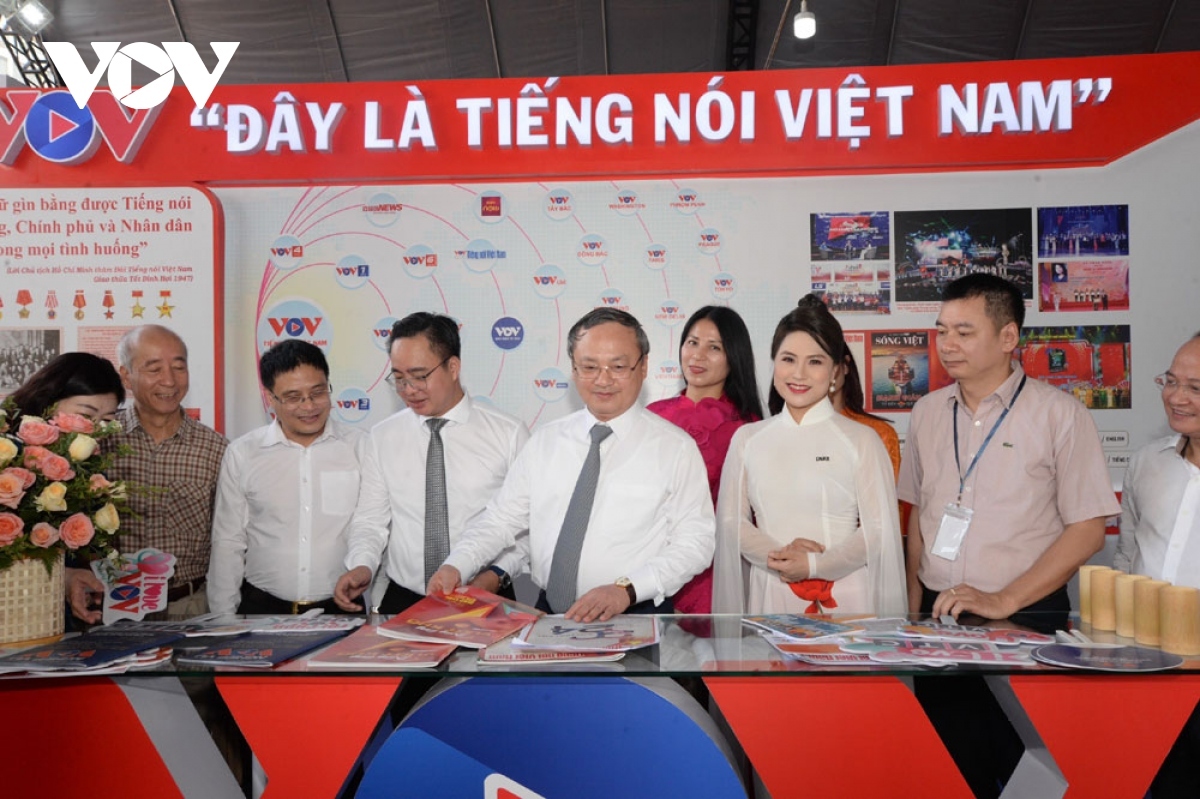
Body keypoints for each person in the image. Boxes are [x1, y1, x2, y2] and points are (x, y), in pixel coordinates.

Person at [897, 273, 1118, 798]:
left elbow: (1088, 529)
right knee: (946, 772)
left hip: (1027, 618)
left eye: (964, 332)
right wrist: (911, 609)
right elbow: (919, 518)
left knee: (1029, 774)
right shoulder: (927, 412)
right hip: (938, 618)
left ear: (1008, 337)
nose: (947, 345)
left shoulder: (1059, 415)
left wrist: (1004, 600)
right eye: (941, 330)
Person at [428, 308, 714, 622]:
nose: (603, 380)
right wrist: (457, 565)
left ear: (643, 366)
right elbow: (501, 520)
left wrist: (627, 589)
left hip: (634, 613)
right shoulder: (545, 441)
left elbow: (696, 542)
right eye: (589, 366)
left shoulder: (675, 448)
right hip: (548, 613)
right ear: (574, 369)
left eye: (618, 366)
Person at [711, 297, 905, 617]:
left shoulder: (862, 439)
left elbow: (879, 530)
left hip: (846, 595)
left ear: (836, 371)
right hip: (771, 590)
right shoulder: (748, 439)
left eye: (815, 361)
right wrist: (781, 558)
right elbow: (731, 522)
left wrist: (815, 564)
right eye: (788, 359)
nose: (798, 373)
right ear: (774, 362)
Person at [333, 312, 529, 614]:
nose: (409, 389)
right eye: (399, 378)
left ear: (453, 367)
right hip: (405, 599)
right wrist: (362, 565)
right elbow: (371, 521)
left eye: (419, 376)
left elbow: (525, 527)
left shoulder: (508, 434)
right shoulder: (383, 437)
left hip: (485, 593)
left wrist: (495, 576)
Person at [207, 340, 364, 617]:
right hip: (261, 608)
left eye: (318, 392)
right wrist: (222, 618)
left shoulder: (360, 448)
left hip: (343, 609)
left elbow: (375, 529)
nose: (309, 406)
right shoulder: (244, 454)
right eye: (293, 397)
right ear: (270, 398)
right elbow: (228, 542)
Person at [1114, 333, 1200, 799]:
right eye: (1170, 381)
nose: (1176, 397)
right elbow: (1127, 555)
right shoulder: (1148, 462)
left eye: (1195, 387)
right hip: (1148, 673)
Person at [106, 325, 227, 619]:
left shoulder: (216, 449)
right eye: (154, 369)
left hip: (189, 607)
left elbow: (230, 539)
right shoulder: (100, 442)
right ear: (126, 376)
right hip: (109, 606)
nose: (169, 380)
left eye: (178, 367)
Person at [646, 306, 762, 614]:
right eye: (692, 342)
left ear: (734, 357)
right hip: (644, 567)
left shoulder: (748, 428)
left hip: (713, 572)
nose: (698, 355)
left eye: (714, 348)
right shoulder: (651, 416)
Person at [8, 352, 124, 624]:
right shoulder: (9, 457)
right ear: (48, 402)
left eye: (106, 420)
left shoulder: (89, 470)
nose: (95, 429)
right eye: (85, 414)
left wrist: (70, 578)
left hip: (55, 618)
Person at [829, 349, 900, 477]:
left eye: (817, 361)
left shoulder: (880, 433)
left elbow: (885, 495)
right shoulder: (783, 431)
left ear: (844, 366)